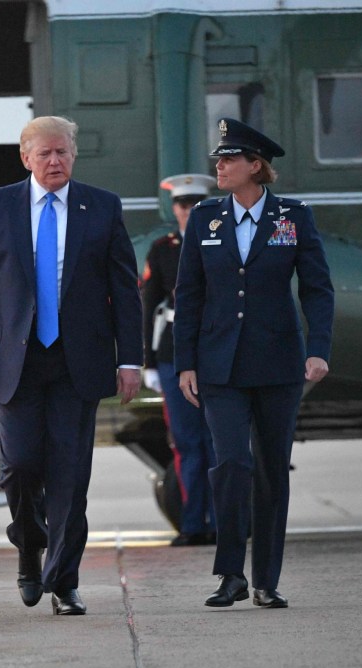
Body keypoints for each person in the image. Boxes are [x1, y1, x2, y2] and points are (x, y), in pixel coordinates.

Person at [0, 116, 143, 616]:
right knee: (20, 463)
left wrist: (130, 360)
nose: (55, 161)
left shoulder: (101, 206)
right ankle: (28, 546)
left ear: (74, 155)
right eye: (45, 154)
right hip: (15, 359)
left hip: (76, 360)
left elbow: (125, 290)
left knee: (69, 475)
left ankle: (63, 581)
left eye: (63, 152)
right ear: (26, 158)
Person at [173, 118, 334, 609]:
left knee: (270, 471)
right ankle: (229, 575)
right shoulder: (205, 218)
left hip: (278, 363)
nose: (218, 166)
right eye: (219, 158)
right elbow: (190, 293)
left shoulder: (294, 216)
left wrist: (318, 348)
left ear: (255, 165)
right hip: (219, 365)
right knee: (230, 465)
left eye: (228, 158)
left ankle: (265, 578)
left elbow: (316, 287)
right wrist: (186, 362)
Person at [142, 173, 218, 547]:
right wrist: (149, 362)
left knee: (219, 441)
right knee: (187, 443)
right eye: (183, 205)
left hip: (217, 350)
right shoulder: (163, 248)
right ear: (175, 209)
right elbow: (147, 304)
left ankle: (223, 524)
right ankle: (192, 524)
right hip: (174, 351)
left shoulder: (225, 241)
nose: (189, 211)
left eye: (195, 205)